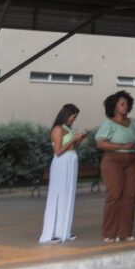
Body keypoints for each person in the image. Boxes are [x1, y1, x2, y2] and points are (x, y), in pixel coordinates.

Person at [96, 90, 135, 242]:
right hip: (113, 161)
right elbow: (99, 143)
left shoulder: (134, 123)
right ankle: (110, 233)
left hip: (131, 160)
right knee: (115, 194)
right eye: (122, 104)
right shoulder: (108, 123)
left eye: (127, 104)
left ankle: (125, 232)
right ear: (114, 107)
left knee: (131, 195)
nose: (125, 106)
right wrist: (121, 145)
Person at [39, 104, 87, 244]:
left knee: (67, 195)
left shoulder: (67, 129)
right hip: (62, 164)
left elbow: (71, 147)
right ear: (66, 115)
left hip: (70, 163)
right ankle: (51, 232)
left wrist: (79, 140)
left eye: (75, 118)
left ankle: (63, 230)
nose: (73, 120)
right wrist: (73, 139)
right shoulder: (57, 129)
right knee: (58, 195)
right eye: (73, 117)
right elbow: (59, 151)